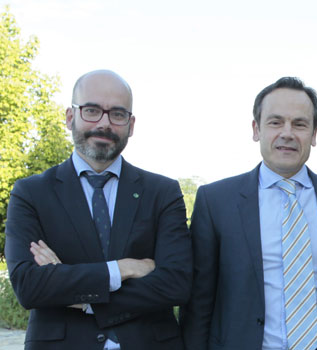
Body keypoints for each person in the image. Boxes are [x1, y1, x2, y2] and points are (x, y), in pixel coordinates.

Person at [4, 70, 192, 349]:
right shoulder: (31, 193)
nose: (104, 124)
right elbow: (30, 286)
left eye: (117, 114)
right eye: (92, 110)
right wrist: (124, 268)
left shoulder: (162, 192)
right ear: (70, 117)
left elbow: (176, 283)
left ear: (131, 124)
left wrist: (81, 296)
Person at [180, 77, 317, 350]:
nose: (287, 133)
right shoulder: (216, 201)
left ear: (314, 134)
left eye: (300, 124)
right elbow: (198, 299)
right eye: (275, 122)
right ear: (256, 129)